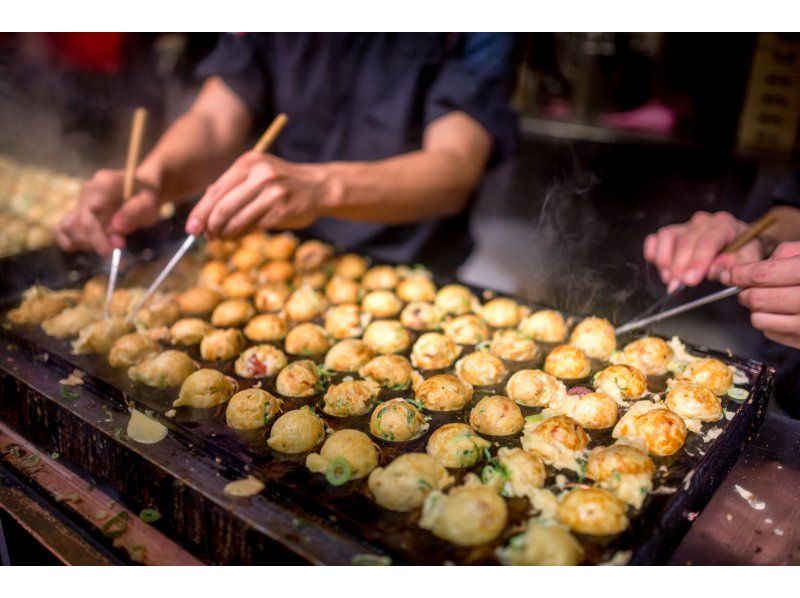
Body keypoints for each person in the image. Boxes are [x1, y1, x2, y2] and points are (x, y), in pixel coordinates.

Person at [56, 33, 518, 273]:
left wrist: (319, 187)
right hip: (281, 257)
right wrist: (153, 178)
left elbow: (455, 167)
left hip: (410, 262)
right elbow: (218, 115)